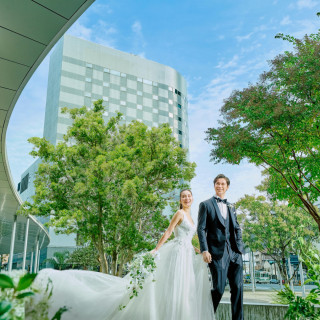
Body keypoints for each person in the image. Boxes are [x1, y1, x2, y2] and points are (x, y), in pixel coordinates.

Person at [32, 189, 214, 320]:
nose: (187, 198)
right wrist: (156, 250)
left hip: (186, 252)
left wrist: (199, 251)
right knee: (175, 284)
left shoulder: (192, 217)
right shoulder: (179, 213)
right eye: (183, 196)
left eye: (189, 196)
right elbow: (168, 232)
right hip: (176, 254)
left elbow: (189, 239)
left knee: (185, 286)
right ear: (180, 200)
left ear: (192, 198)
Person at [197, 174, 244, 320]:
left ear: (227, 187)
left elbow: (236, 228)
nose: (220, 186)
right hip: (217, 254)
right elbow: (201, 229)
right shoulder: (205, 204)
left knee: (238, 289)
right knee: (218, 288)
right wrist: (205, 249)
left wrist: (240, 248)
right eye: (217, 183)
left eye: (223, 184)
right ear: (214, 185)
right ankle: (206, 316)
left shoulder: (232, 206)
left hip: (235, 253)